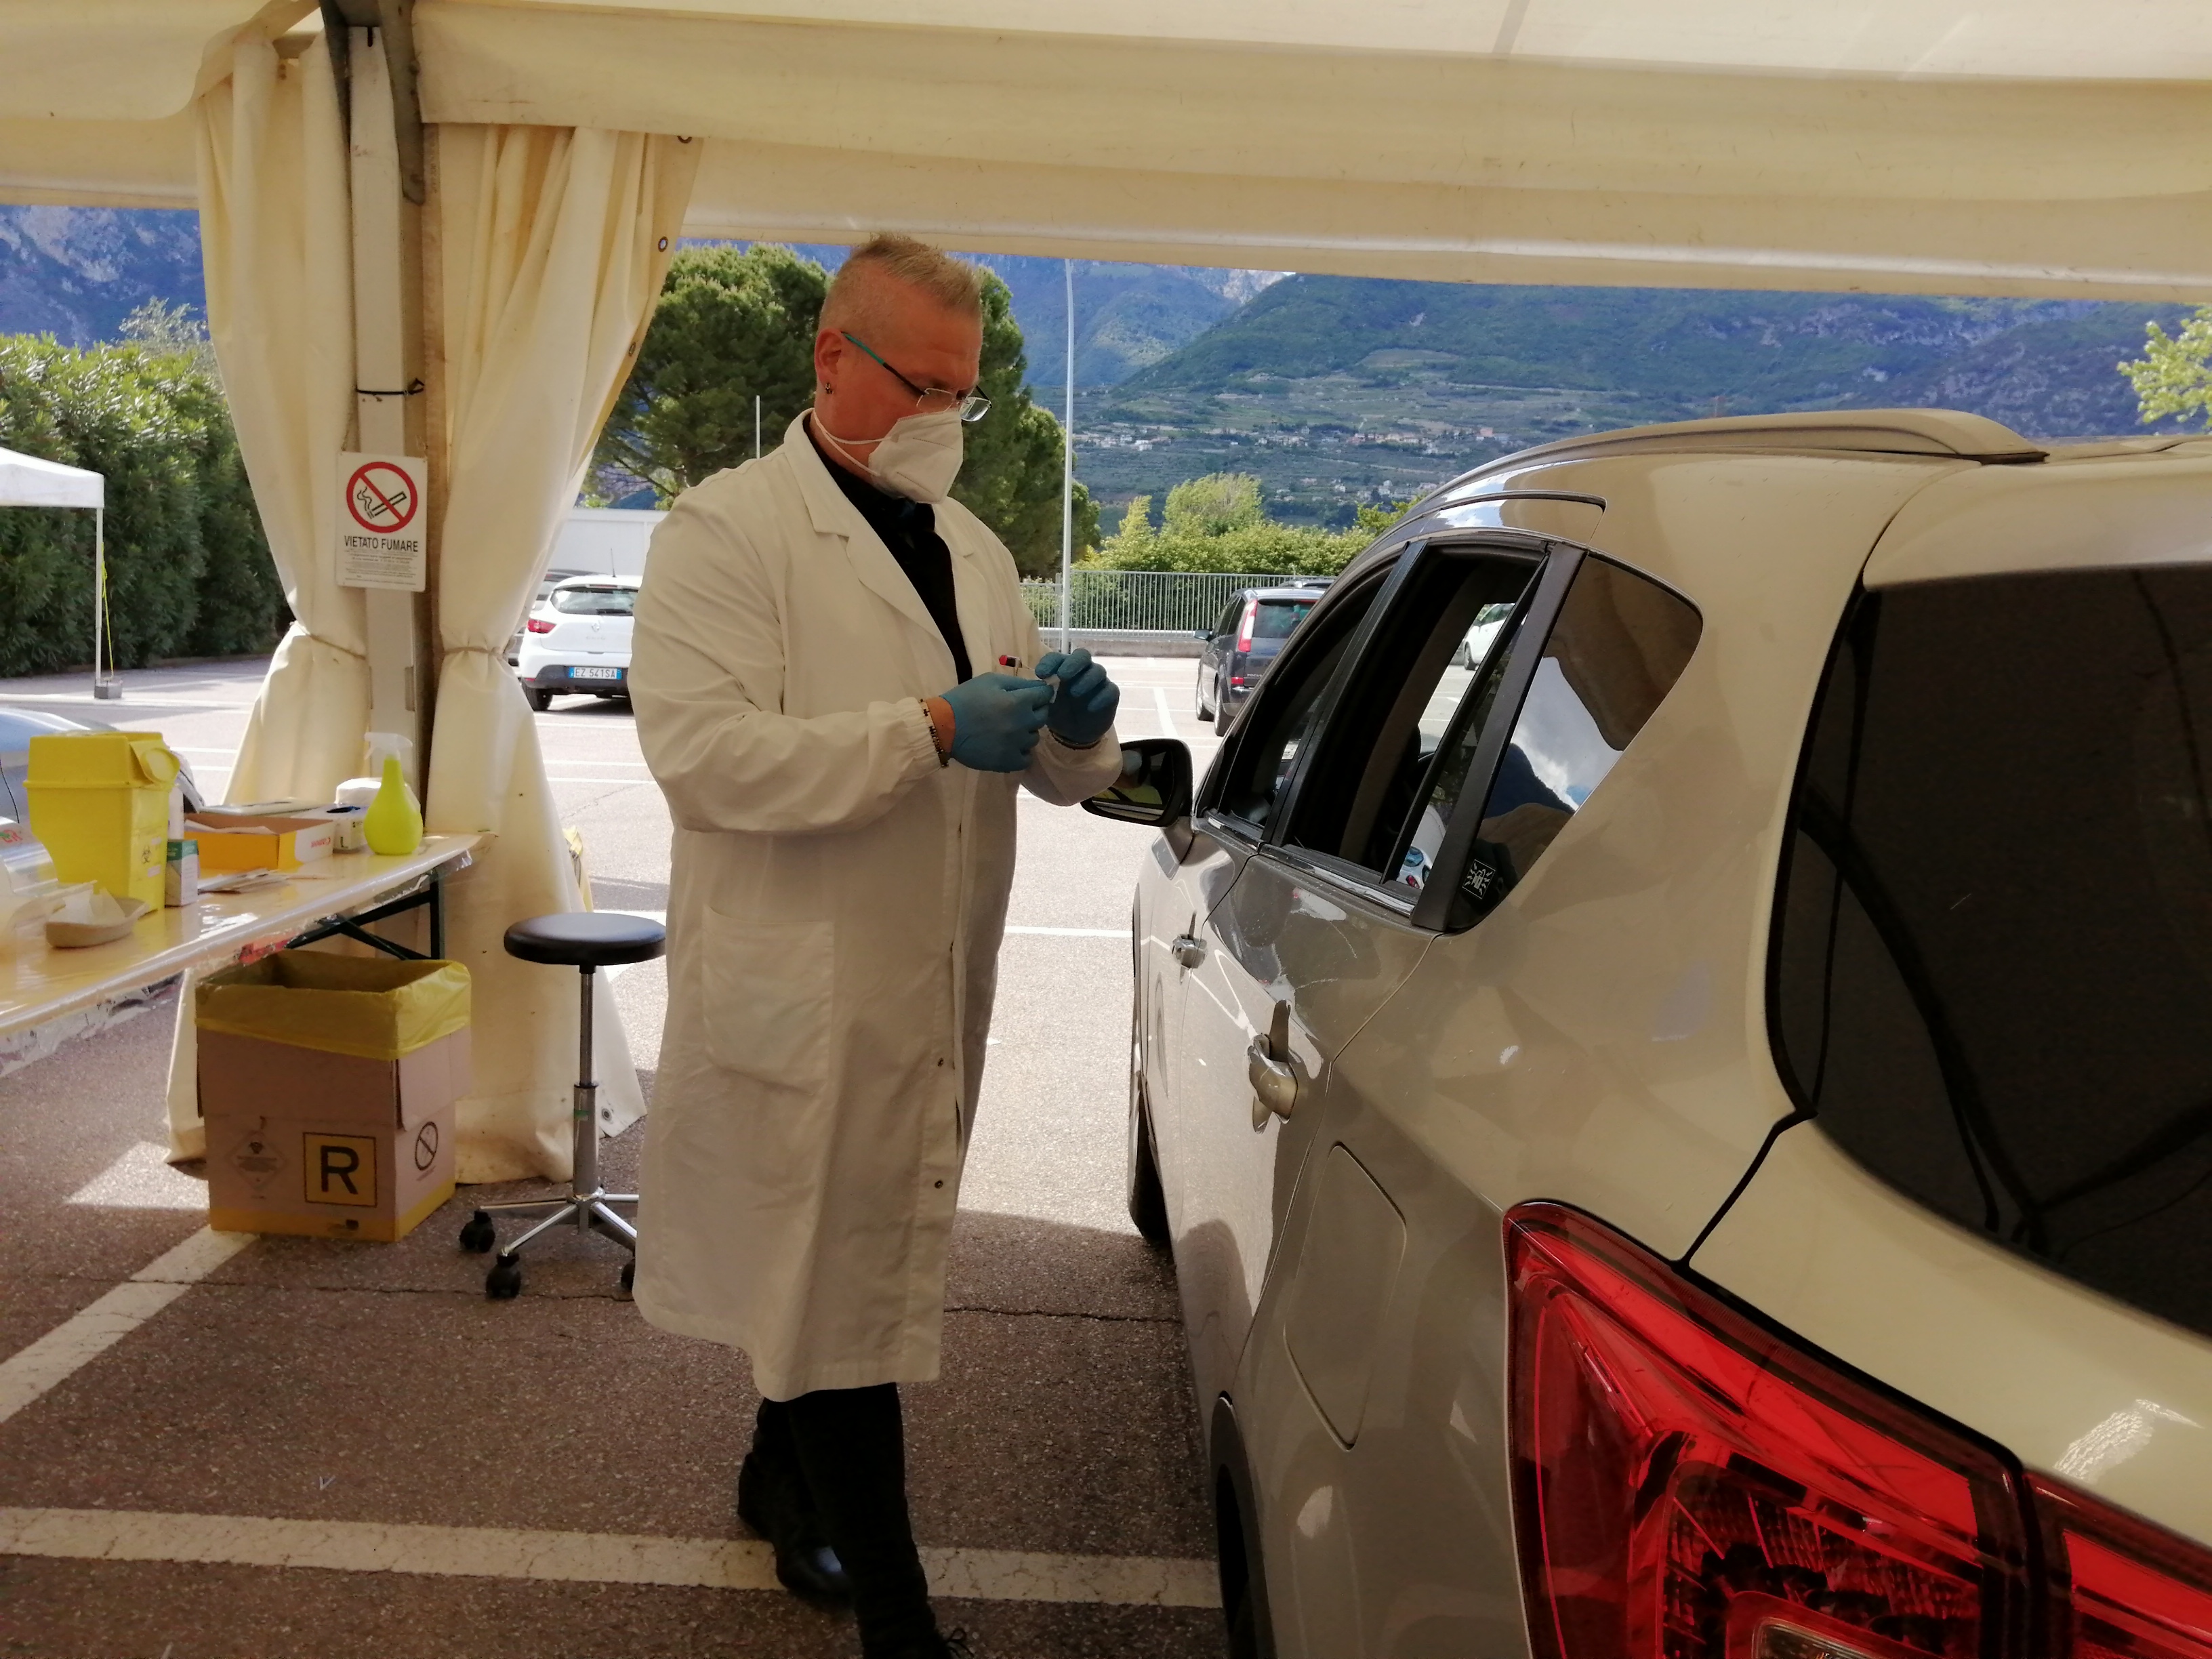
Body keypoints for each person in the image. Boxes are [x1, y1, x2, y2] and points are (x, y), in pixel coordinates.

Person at [628, 234, 1124, 1659]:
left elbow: (1045, 769)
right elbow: (706, 758)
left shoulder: (974, 550)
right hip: (806, 984)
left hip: (929, 975)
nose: (944, 419)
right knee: (837, 1277)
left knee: (831, 1261)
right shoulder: (726, 534)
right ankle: (904, 1626)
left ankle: (773, 1479)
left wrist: (1076, 730)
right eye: (921, 385)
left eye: (965, 394)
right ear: (833, 357)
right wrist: (925, 730)